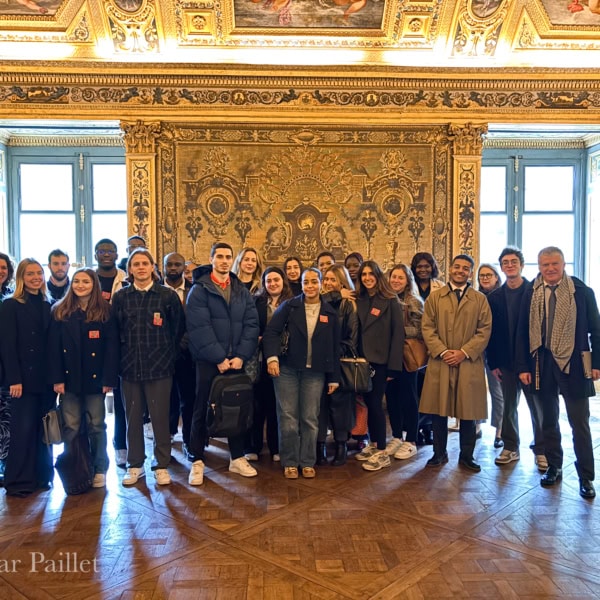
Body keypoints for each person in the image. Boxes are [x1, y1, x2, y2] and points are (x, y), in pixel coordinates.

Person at [516, 246, 600, 499]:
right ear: (539, 267)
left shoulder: (581, 291)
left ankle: (586, 476)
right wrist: (522, 367)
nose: (550, 269)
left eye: (554, 264)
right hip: (541, 363)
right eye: (545, 265)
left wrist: (596, 363)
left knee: (580, 423)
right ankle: (554, 466)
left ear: (563, 264)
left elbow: (596, 330)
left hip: (574, 363)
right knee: (548, 421)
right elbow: (521, 331)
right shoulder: (531, 291)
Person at [186, 242, 260, 485]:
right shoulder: (199, 290)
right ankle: (197, 458)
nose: (224, 261)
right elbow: (199, 328)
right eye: (219, 256)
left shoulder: (241, 290)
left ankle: (237, 457)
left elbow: (251, 324)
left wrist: (240, 355)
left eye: (228, 257)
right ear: (212, 259)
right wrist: (218, 358)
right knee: (202, 407)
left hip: (236, 361)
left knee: (236, 408)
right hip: (209, 362)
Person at [112, 249, 185, 486]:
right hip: (130, 368)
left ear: (153, 267)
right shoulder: (121, 297)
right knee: (132, 418)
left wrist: (169, 357)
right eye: (136, 264)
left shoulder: (166, 296)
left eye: (145, 263)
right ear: (130, 269)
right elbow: (115, 333)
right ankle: (135, 465)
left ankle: (161, 464)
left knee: (160, 418)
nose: (141, 267)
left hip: (160, 369)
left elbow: (178, 331)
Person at [263, 267, 341, 479]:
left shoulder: (330, 312)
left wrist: (334, 377)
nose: (310, 286)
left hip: (315, 373)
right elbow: (271, 332)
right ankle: (290, 461)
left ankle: (307, 461)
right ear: (302, 284)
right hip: (287, 369)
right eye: (306, 282)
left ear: (321, 283)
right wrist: (272, 359)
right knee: (287, 417)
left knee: (309, 418)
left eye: (314, 282)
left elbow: (335, 347)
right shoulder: (290, 306)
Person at [48, 268, 119, 489]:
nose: (80, 285)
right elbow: (53, 349)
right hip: (68, 381)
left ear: (93, 285)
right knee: (71, 425)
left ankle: (99, 468)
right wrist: (57, 379)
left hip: (95, 381)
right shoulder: (60, 311)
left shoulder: (106, 311)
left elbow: (112, 349)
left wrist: (108, 379)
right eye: (77, 281)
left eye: (85, 282)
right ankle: (76, 467)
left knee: (97, 425)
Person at [420, 254, 492, 472]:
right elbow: (427, 327)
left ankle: (467, 456)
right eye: (457, 267)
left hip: (468, 362)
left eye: (466, 268)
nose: (461, 271)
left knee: (468, 411)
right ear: (450, 269)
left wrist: (463, 352)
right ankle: (439, 453)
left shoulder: (480, 299)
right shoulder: (435, 297)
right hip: (440, 361)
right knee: (438, 410)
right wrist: (443, 351)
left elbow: (484, 330)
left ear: (471, 272)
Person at [487, 247, 546, 471]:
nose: (509, 265)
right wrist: (493, 364)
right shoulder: (495, 297)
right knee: (509, 406)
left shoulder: (535, 292)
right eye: (505, 262)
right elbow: (490, 333)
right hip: (505, 363)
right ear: (501, 267)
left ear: (521, 264)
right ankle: (511, 446)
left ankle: (541, 449)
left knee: (536, 407)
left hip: (532, 362)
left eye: (513, 261)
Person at [0, 259, 54, 496]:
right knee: (22, 430)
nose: (36, 277)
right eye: (30, 273)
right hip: (21, 380)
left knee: (42, 430)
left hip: (46, 379)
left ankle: (41, 477)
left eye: (39, 273)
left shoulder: (48, 304)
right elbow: (7, 346)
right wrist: (14, 379)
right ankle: (19, 482)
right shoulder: (10, 305)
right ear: (21, 277)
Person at [354, 260, 405, 472]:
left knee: (376, 403)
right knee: (368, 402)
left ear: (377, 276)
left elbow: (397, 334)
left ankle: (382, 451)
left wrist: (394, 367)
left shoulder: (390, 300)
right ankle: (374, 444)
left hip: (382, 361)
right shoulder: (358, 298)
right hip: (361, 360)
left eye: (370, 274)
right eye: (363, 275)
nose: (367, 278)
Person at [244, 266, 294, 462]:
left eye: (276, 280)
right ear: (264, 283)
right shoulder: (256, 301)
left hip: (285, 361)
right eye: (269, 281)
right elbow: (249, 325)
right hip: (259, 360)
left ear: (283, 281)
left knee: (277, 406)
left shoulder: (292, 303)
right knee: (257, 405)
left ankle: (276, 447)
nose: (273, 284)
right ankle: (253, 446)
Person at [317, 264, 358, 466]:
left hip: (340, 361)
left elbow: (352, 338)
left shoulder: (348, 305)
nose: (328, 283)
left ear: (342, 283)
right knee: (319, 406)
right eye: (326, 280)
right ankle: (320, 446)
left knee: (341, 406)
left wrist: (333, 352)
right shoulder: (317, 301)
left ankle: (341, 445)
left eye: (333, 280)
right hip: (317, 362)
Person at [94, 238, 128, 468]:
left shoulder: (125, 278)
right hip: (93, 347)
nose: (107, 254)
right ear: (96, 254)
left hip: (121, 345)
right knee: (94, 406)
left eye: (111, 251)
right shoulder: (87, 278)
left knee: (121, 401)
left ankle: (120, 446)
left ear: (117, 255)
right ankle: (93, 453)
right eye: (102, 251)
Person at [384, 264, 424, 461]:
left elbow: (420, 330)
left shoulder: (414, 302)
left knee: (409, 398)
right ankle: (397, 436)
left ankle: (412, 439)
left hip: (407, 356)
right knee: (392, 397)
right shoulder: (386, 300)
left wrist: (395, 332)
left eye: (400, 278)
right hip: (390, 357)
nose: (396, 281)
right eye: (393, 277)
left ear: (408, 280)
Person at [163, 252, 195, 454]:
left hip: (188, 354)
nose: (173, 268)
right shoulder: (156, 290)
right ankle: (167, 434)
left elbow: (197, 321)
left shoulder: (194, 291)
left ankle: (189, 440)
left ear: (184, 267)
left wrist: (182, 343)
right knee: (167, 399)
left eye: (178, 264)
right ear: (163, 266)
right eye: (170, 264)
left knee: (188, 398)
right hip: (162, 355)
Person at [476, 263, 504, 445]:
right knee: (475, 389)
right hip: (477, 349)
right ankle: (476, 426)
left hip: (496, 350)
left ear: (496, 277)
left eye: (489, 275)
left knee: (497, 391)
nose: (485, 278)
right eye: (482, 275)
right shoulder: (475, 297)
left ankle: (500, 430)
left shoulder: (502, 297)